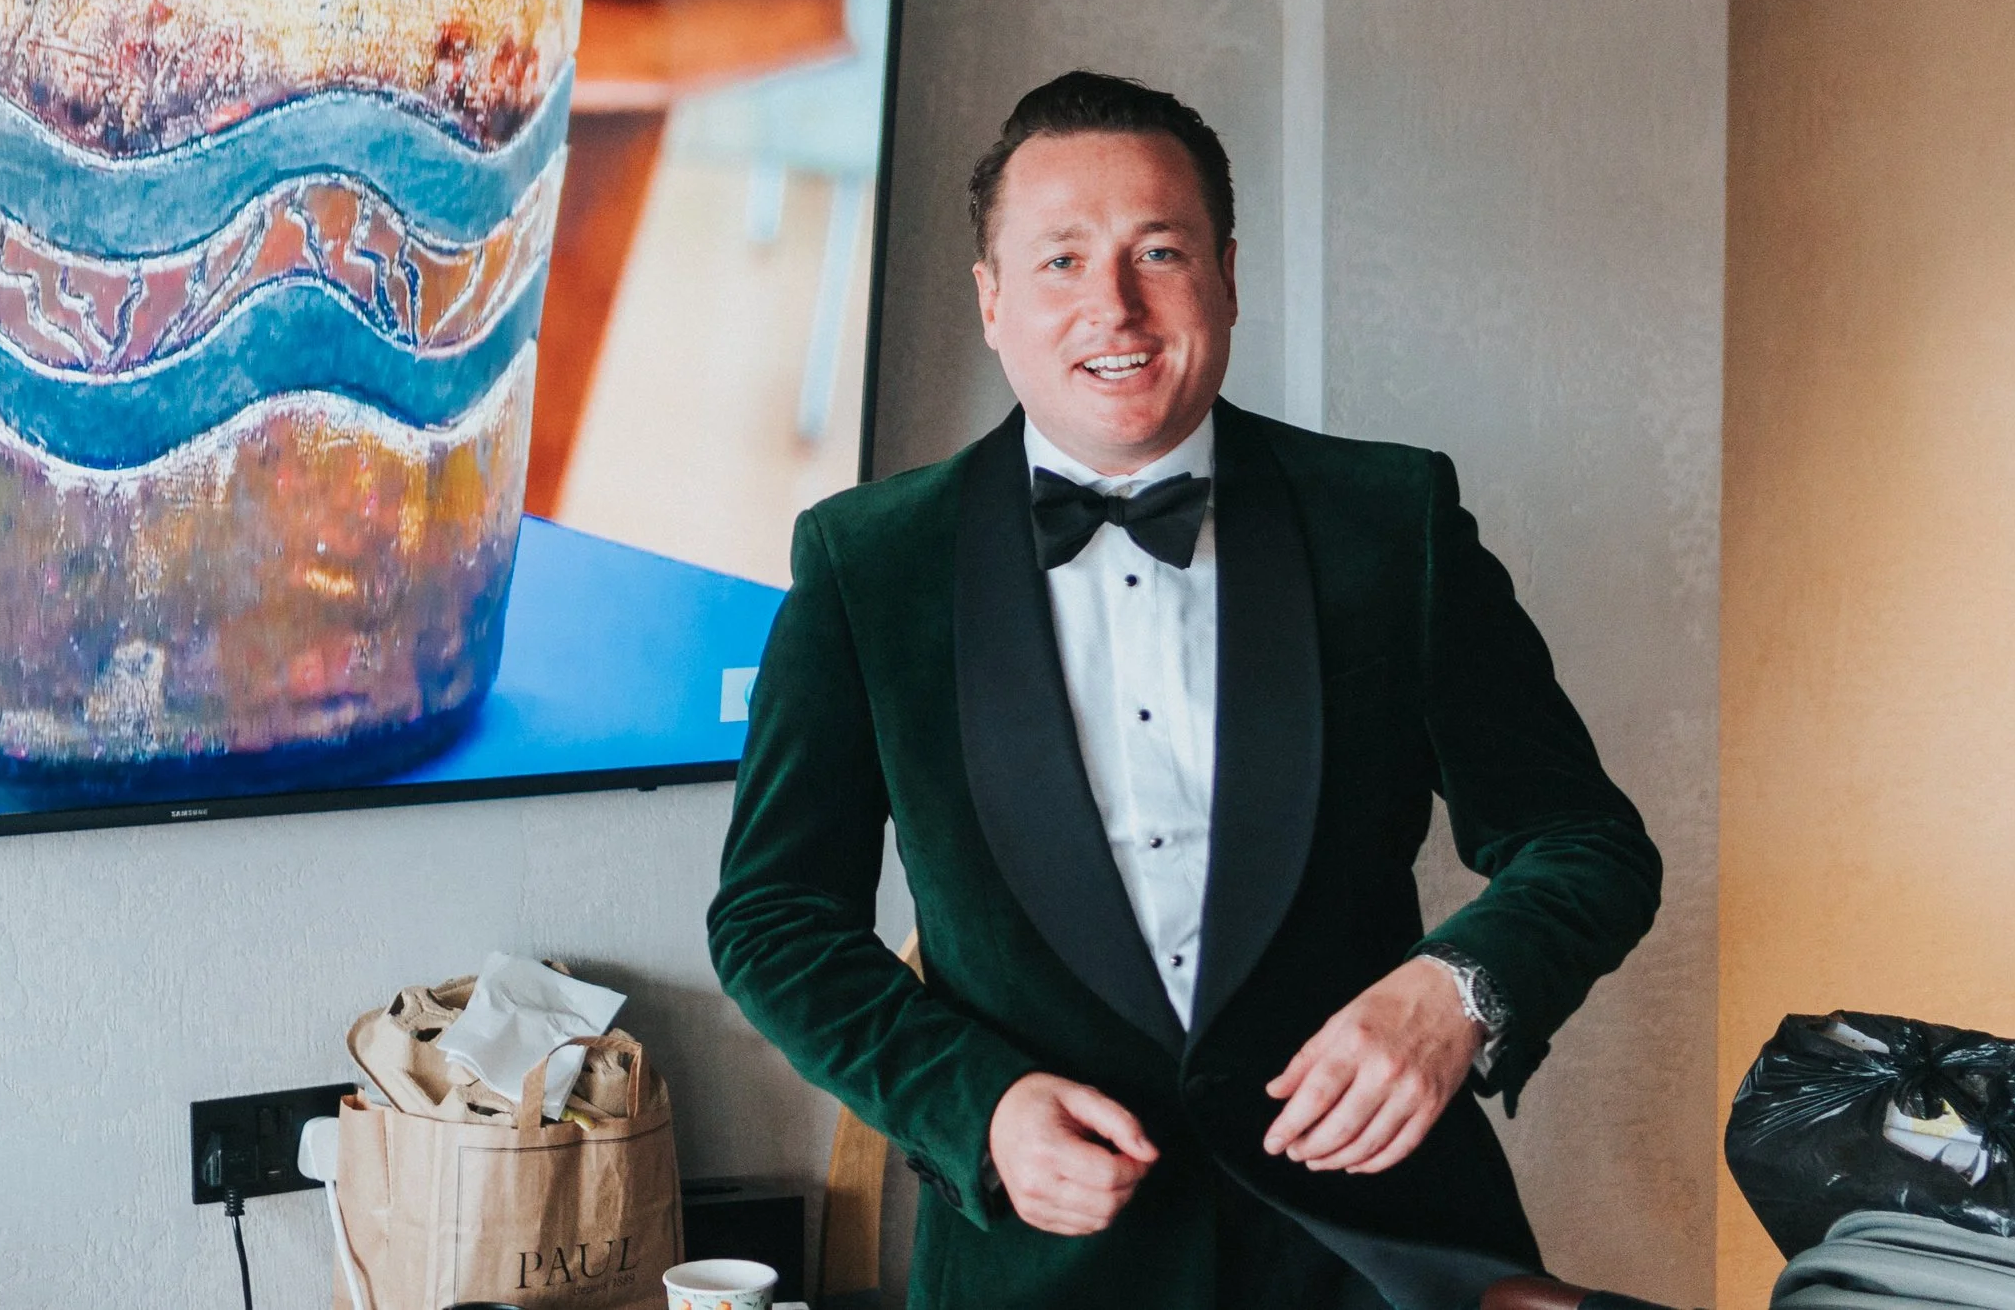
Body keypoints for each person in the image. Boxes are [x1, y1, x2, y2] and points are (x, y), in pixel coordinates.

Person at [708, 71, 1661, 1310]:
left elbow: (1583, 842)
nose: (1112, 303)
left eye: (1157, 251)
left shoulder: (1391, 519)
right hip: (1041, 1271)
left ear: (1225, 275)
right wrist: (977, 1106)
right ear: (992, 298)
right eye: (1060, 260)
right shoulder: (865, 562)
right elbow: (775, 916)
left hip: (1376, 1255)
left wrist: (1459, 993)